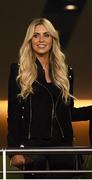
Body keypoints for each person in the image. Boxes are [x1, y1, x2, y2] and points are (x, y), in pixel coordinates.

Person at [7, 18, 75, 179]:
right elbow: (14, 113)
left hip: (61, 147)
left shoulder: (66, 72)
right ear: (30, 41)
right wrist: (14, 151)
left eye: (46, 35)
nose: (41, 40)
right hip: (33, 148)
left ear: (53, 39)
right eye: (36, 35)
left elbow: (69, 112)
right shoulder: (18, 70)